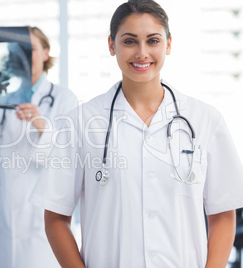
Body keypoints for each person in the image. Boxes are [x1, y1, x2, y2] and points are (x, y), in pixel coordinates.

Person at [29, 1, 243, 267]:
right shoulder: (80, 122)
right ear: (111, 45)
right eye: (130, 41)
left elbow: (223, 213)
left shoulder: (205, 120)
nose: (142, 53)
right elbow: (56, 217)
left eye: (153, 40)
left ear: (168, 44)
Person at [0, 26, 79, 268]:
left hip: (41, 215)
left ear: (46, 53)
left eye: (31, 49)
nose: (24, 55)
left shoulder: (63, 98)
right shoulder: (3, 98)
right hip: (6, 214)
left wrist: (41, 123)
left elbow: (68, 156)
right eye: (18, 49)